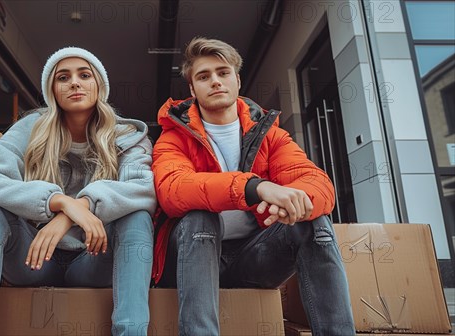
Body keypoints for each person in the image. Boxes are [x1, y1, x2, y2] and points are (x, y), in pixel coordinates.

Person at [151, 37, 355, 335]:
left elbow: (317, 184)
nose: (215, 82)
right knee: (199, 216)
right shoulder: (173, 137)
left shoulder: (271, 135)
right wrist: (255, 188)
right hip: (191, 258)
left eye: (223, 73)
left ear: (237, 80)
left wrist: (295, 203)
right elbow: (173, 191)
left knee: (314, 220)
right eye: (204, 76)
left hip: (254, 258)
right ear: (192, 89)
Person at [0, 47, 156, 336]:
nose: (74, 83)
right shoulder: (29, 129)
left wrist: (79, 207)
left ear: (99, 86)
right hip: (33, 256)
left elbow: (144, 190)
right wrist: (57, 202)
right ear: (52, 90)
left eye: (84, 75)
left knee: (138, 219)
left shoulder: (128, 136)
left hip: (95, 257)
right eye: (63, 77)